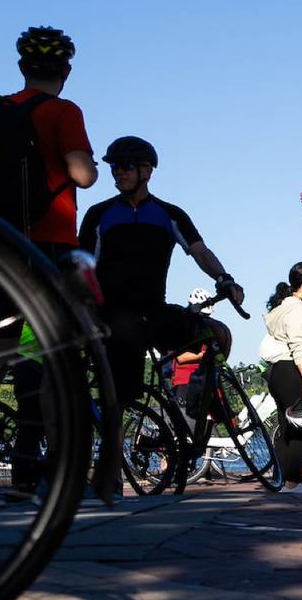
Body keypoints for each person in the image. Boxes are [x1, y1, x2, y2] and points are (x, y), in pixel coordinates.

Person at [0, 25, 99, 507]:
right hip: (49, 248)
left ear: (21, 69)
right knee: (58, 362)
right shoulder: (64, 111)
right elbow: (83, 174)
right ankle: (55, 474)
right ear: (67, 71)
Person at [79, 137, 244, 410]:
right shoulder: (100, 214)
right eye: (114, 167)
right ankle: (114, 449)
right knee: (121, 397)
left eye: (126, 166)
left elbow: (200, 252)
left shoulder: (168, 214)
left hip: (155, 310)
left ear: (147, 171)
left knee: (216, 334)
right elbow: (83, 265)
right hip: (114, 315)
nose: (118, 172)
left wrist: (224, 278)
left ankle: (204, 399)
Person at [262, 262, 302, 494]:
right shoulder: (298, 310)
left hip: (278, 372)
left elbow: (289, 342)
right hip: (292, 371)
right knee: (301, 429)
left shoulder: (282, 308)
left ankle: (279, 482)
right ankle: (292, 483)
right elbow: (298, 346)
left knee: (285, 430)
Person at [170, 287, 215, 420]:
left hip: (201, 378)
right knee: (186, 420)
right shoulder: (184, 327)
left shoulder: (203, 328)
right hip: (184, 380)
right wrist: (202, 355)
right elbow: (180, 357)